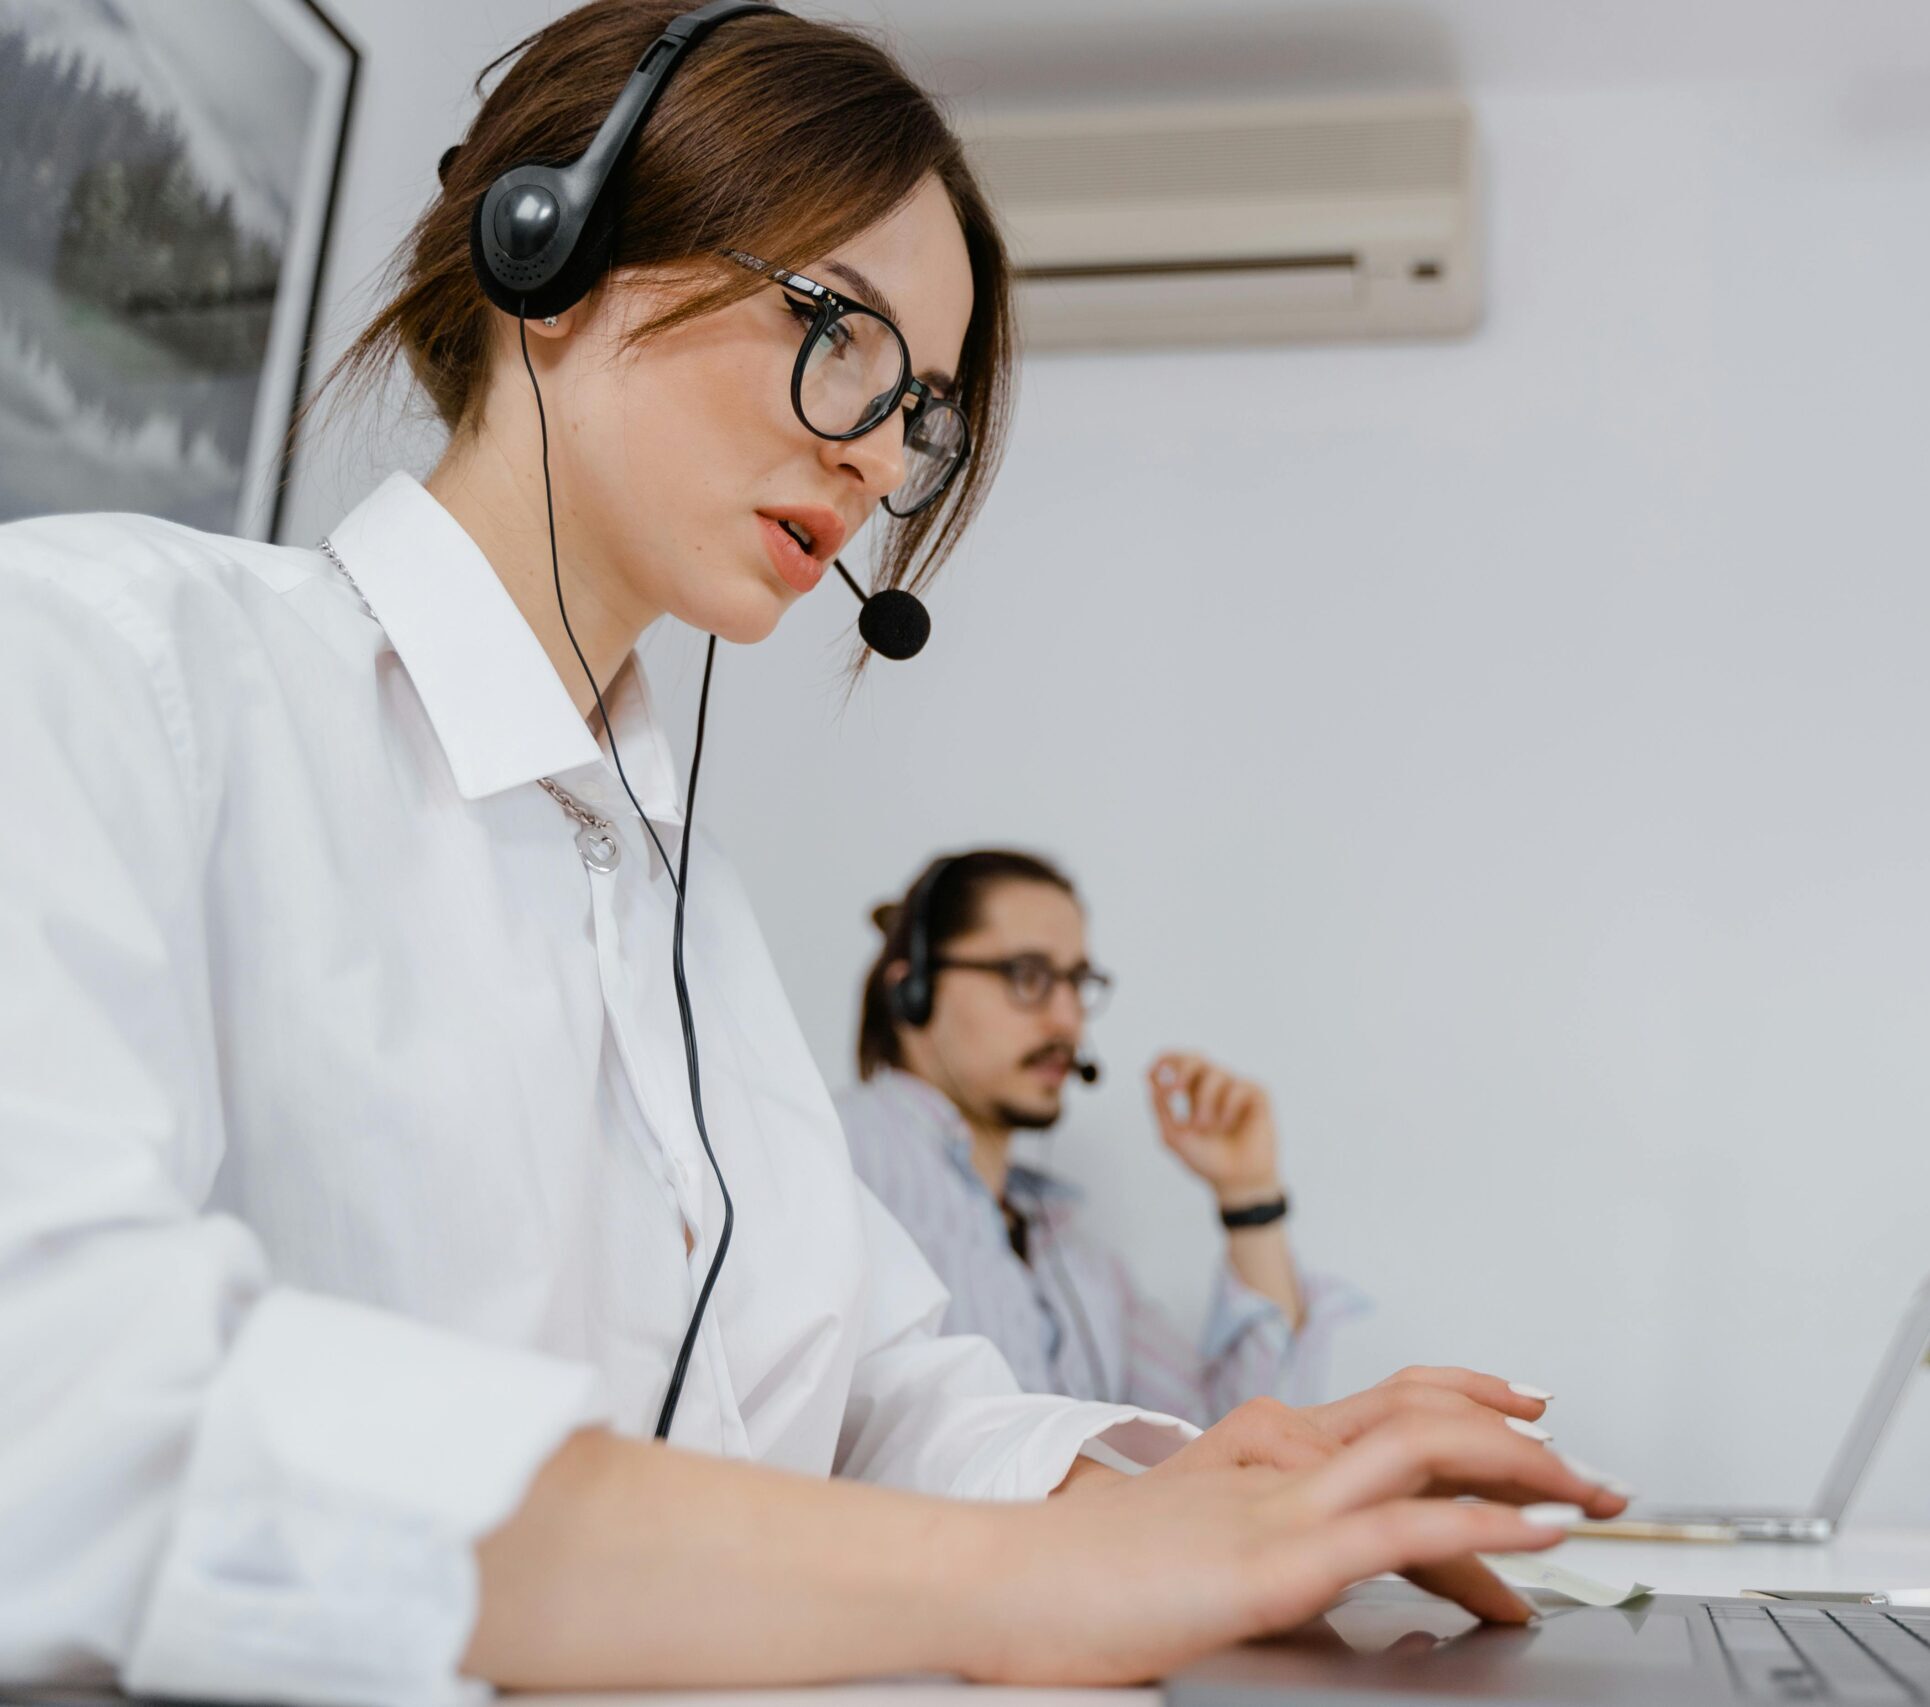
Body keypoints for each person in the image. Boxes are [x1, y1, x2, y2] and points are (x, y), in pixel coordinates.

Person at [0, 3, 1628, 1702]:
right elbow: (62, 1399)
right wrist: (1034, 1577)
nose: (873, 452)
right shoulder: (103, 665)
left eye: (917, 406)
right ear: (549, 247)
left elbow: (876, 1394)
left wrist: (1204, 1505)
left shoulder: (674, 897)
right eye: (839, 331)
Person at [842, 849, 1368, 1421]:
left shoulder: (1077, 1259)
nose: (1069, 1021)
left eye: (1077, 982)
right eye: (1028, 977)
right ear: (913, 992)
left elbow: (1242, 1444)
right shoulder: (835, 1162)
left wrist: (1249, 1195)